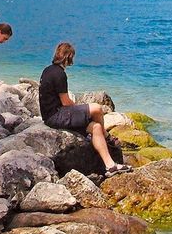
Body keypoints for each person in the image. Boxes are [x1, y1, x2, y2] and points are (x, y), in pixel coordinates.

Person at [39, 42, 132, 177]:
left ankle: (110, 166)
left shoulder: (47, 70)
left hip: (51, 115)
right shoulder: (59, 74)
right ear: (68, 57)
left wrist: (80, 112)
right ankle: (108, 137)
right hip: (56, 115)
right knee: (96, 108)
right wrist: (80, 109)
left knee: (95, 128)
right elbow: (66, 102)